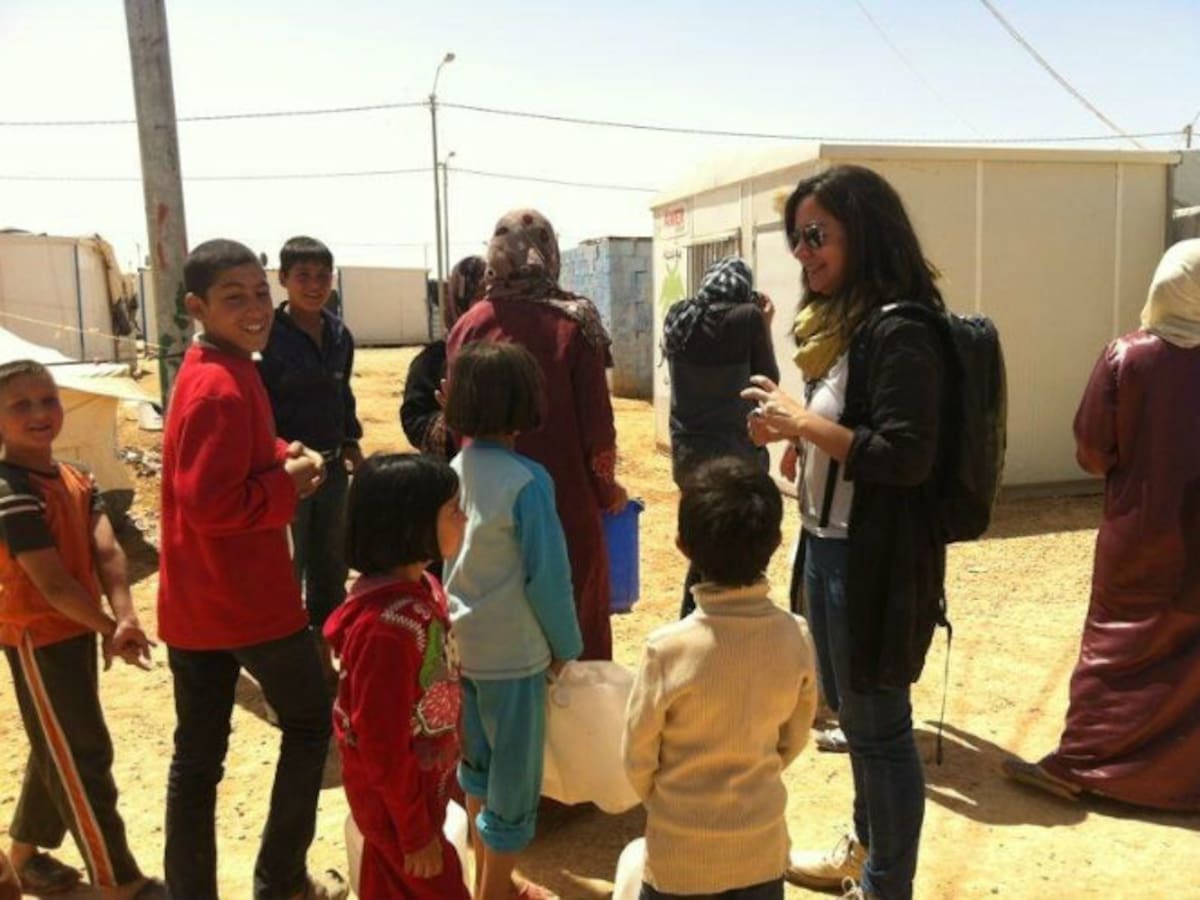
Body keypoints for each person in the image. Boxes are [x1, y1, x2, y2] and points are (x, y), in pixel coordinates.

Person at [741, 165, 947, 900]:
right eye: (797, 239)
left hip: (874, 561)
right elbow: (849, 431)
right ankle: (863, 853)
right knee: (856, 722)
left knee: (882, 730)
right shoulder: (844, 326)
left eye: (816, 235)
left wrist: (804, 424)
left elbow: (906, 455)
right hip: (829, 549)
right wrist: (796, 428)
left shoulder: (902, 330)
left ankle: (886, 886)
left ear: (864, 231)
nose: (803, 253)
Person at [158, 239, 346, 900]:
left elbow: (238, 452)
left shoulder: (220, 367)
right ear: (197, 306)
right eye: (233, 298)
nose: (255, 308)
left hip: (194, 605)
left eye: (260, 293)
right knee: (310, 722)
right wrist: (287, 483)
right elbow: (212, 504)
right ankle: (282, 879)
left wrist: (281, 451)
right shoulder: (219, 386)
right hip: (246, 601)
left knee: (197, 759)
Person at [1002, 238, 1200, 811]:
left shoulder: (1128, 357)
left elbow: (1092, 450)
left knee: (1118, 646)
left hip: (1139, 532)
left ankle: (1083, 764)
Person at [0, 360, 163, 900]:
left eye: (47, 399)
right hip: (38, 635)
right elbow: (51, 585)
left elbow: (106, 549)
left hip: (74, 628)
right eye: (20, 405)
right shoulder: (10, 490)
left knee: (60, 742)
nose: (39, 412)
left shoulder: (76, 477)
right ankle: (118, 879)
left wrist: (125, 615)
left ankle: (23, 857)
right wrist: (110, 627)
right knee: (83, 753)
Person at [623, 457, 817, 900]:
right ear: (776, 541)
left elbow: (637, 757)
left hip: (678, 858)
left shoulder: (666, 650)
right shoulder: (795, 636)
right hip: (760, 853)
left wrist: (670, 803)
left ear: (682, 546)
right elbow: (793, 738)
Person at [446, 209, 627, 661]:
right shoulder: (576, 322)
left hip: (482, 501)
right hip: (565, 502)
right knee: (571, 603)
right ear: (548, 251)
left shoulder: (467, 325)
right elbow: (598, 428)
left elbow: (456, 421)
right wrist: (607, 490)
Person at [442, 340, 584, 900]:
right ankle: (495, 892)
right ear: (526, 403)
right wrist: (566, 645)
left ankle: (488, 878)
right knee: (514, 785)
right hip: (514, 659)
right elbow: (547, 576)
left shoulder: (455, 470)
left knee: (477, 769)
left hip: (463, 649)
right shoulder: (528, 481)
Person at [323, 454, 470, 899]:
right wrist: (415, 832)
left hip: (416, 793)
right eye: (453, 510)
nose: (464, 518)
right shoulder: (385, 631)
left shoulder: (424, 588)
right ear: (412, 526)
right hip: (396, 805)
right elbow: (381, 743)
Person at [259, 235, 363, 682]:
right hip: (287, 475)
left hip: (334, 471)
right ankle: (286, 669)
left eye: (323, 275)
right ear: (283, 279)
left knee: (331, 566)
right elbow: (258, 409)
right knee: (287, 569)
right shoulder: (266, 337)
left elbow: (343, 395)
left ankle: (324, 657)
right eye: (303, 276)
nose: (315, 285)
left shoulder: (340, 335)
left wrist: (352, 443)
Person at [662, 255, 779, 617]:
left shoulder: (680, 316)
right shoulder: (748, 318)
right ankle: (729, 626)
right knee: (737, 555)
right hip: (735, 459)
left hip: (688, 457)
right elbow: (767, 382)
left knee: (705, 548)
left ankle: (693, 619)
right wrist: (764, 325)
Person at [401, 255, 487, 459]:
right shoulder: (434, 359)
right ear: (459, 300)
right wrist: (451, 420)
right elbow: (414, 419)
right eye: (479, 296)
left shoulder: (513, 350)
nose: (486, 306)